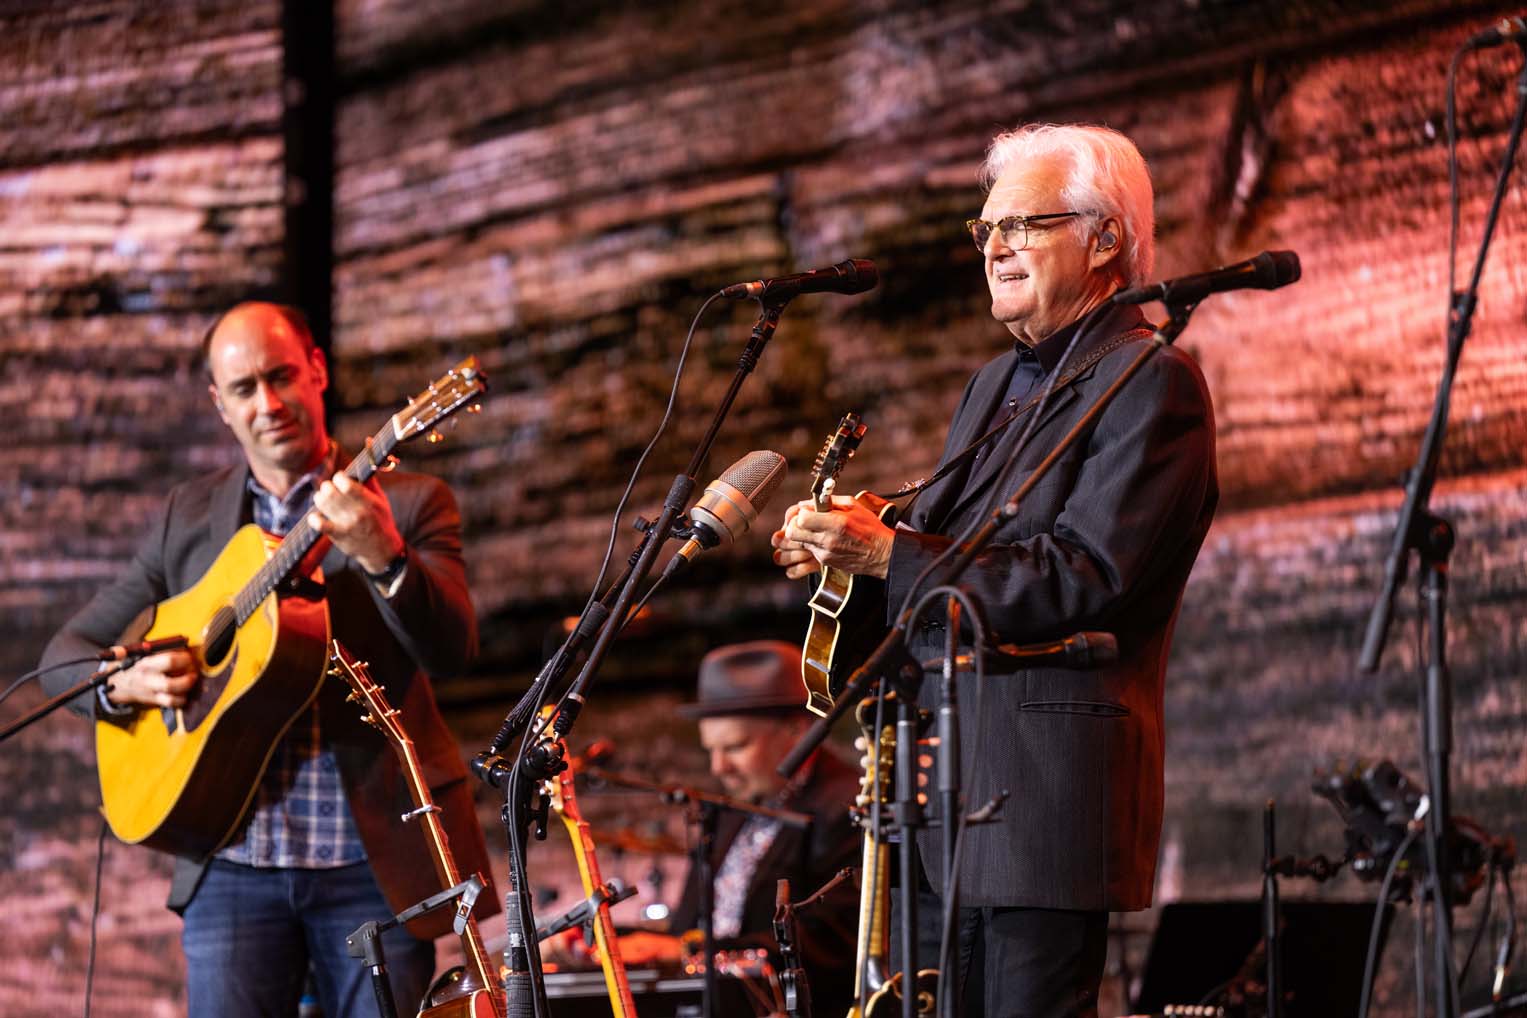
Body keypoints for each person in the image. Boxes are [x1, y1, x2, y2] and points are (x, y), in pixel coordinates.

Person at [771, 123, 1219, 1017]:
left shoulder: (1152, 383)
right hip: (932, 797)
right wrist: (852, 547)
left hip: (1041, 802)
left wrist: (889, 552)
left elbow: (1081, 576)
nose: (995, 246)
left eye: (1023, 223)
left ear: (1104, 240)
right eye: (985, 230)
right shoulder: (992, 385)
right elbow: (954, 556)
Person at [39, 302, 497, 1018]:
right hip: (231, 864)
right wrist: (122, 683)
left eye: (281, 376)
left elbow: (453, 653)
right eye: (245, 388)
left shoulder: (407, 503)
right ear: (220, 406)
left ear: (317, 371)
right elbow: (63, 658)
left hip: (373, 864)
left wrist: (383, 555)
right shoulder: (187, 516)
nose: (269, 403)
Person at [547, 641, 861, 1014]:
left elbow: (832, 945)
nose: (718, 768)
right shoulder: (732, 810)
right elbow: (687, 934)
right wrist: (603, 941)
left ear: (797, 729)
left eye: (735, 747)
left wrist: (683, 951)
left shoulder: (846, 805)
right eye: (710, 750)